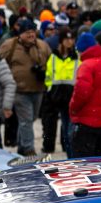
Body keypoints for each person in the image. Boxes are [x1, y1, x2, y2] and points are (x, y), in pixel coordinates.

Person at [0, 18, 51, 156]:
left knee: (31, 118)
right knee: (26, 120)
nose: (31, 35)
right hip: (19, 91)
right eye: (27, 32)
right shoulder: (10, 45)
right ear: (20, 34)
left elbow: (51, 63)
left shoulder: (42, 46)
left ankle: (22, 146)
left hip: (38, 89)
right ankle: (28, 149)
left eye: (32, 32)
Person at [68, 31, 101, 157]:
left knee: (83, 162)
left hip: (85, 123)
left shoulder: (86, 66)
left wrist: (72, 108)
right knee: (99, 162)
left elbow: (81, 93)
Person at [41, 27, 78, 157]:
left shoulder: (77, 57)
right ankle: (66, 154)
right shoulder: (53, 56)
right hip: (57, 96)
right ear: (61, 40)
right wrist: (50, 89)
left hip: (72, 96)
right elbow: (49, 75)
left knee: (69, 130)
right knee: (60, 127)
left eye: (71, 39)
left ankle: (71, 155)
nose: (69, 41)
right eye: (66, 39)